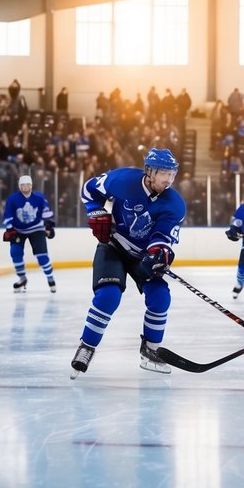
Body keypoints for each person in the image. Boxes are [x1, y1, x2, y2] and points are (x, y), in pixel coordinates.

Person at [71, 147, 185, 378]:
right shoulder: (121, 179)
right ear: (149, 172)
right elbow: (88, 190)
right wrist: (95, 211)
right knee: (108, 296)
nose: (169, 179)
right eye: (164, 173)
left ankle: (150, 352)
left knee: (160, 297)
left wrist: (160, 254)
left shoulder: (174, 204)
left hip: (143, 256)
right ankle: (87, 346)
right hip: (114, 246)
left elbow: (162, 236)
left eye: (172, 174)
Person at [2, 174, 57, 293]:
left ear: (31, 185)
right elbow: (8, 215)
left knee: (42, 257)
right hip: (18, 230)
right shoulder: (13, 198)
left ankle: (50, 278)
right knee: (15, 253)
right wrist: (10, 229)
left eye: (27, 184)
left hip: (36, 229)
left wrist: (48, 226)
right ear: (19, 186)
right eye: (22, 185)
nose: (25, 187)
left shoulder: (39, 197)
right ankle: (22, 278)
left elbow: (46, 212)